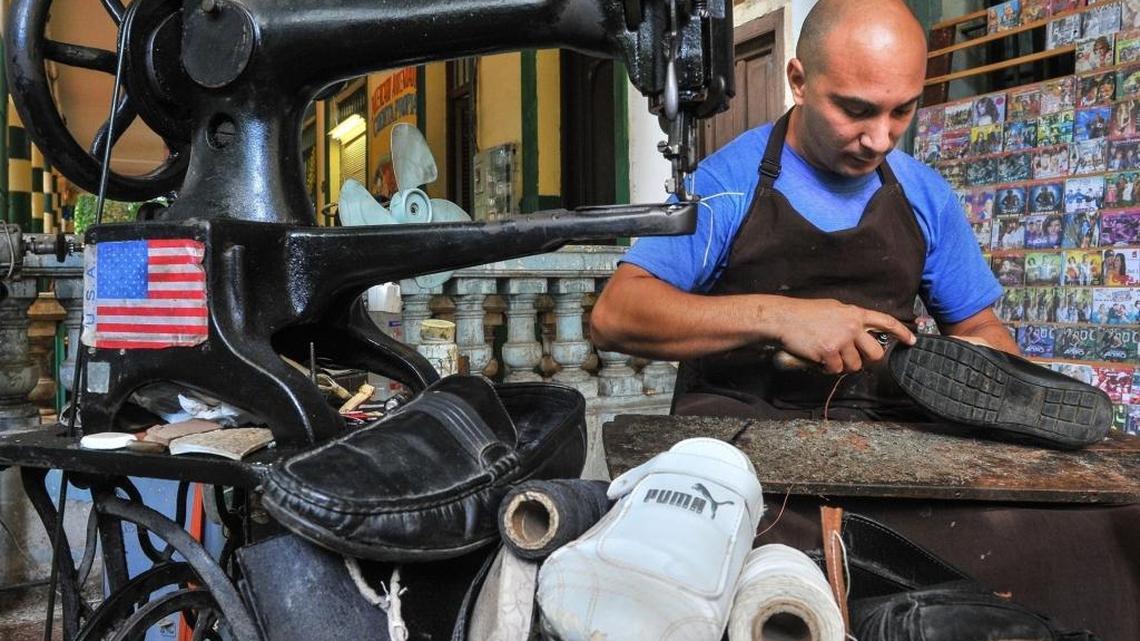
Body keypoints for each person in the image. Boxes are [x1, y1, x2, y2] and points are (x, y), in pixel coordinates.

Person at [590, 2, 1138, 636]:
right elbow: (616, 314)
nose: (880, 138)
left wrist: (1009, 393)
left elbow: (980, 332)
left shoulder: (924, 194)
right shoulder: (727, 182)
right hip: (746, 448)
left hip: (886, 443)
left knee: (1098, 533)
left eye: (901, 110)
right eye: (855, 110)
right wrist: (780, 317)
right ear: (798, 80)